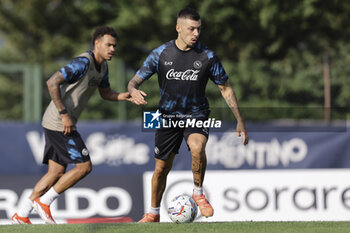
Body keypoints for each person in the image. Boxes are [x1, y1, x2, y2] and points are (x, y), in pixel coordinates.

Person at [128, 8, 249, 222]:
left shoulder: (207, 56)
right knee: (161, 169)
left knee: (197, 147)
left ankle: (198, 193)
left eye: (198, 29)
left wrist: (239, 119)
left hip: (197, 113)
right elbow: (134, 81)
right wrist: (132, 91)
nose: (196, 33)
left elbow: (226, 88)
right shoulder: (160, 54)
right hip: (167, 117)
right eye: (191, 29)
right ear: (178, 28)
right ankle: (153, 213)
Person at [11, 26, 134, 224]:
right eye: (108, 44)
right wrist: (63, 113)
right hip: (60, 122)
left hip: (60, 122)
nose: (112, 49)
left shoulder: (103, 67)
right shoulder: (83, 63)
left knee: (56, 173)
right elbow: (52, 82)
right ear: (97, 44)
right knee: (84, 166)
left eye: (114, 45)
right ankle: (45, 202)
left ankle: (22, 214)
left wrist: (124, 96)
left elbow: (105, 93)